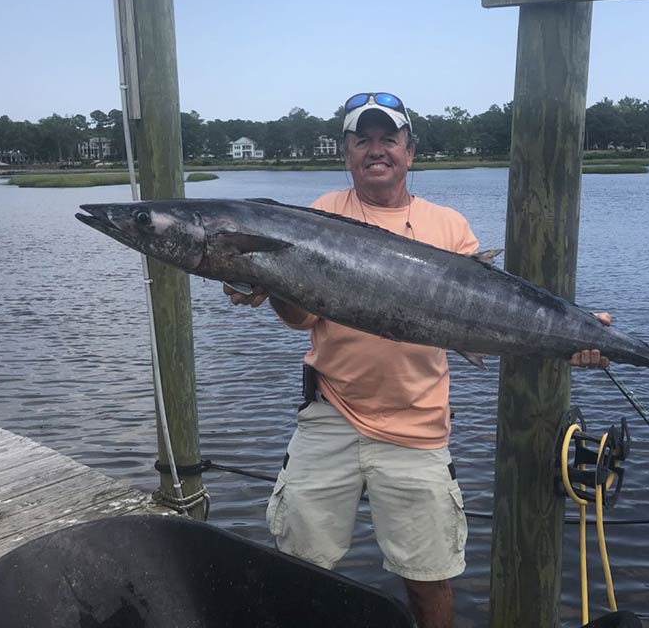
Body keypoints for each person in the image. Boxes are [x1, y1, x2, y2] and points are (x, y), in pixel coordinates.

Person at [225, 92, 609, 628]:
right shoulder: (318, 216)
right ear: (346, 152)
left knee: (429, 575)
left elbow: (498, 312)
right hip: (330, 414)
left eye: (389, 139)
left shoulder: (447, 225)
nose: (376, 150)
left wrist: (577, 338)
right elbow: (301, 320)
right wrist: (267, 283)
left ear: (410, 151)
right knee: (299, 565)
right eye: (363, 140)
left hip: (418, 426)